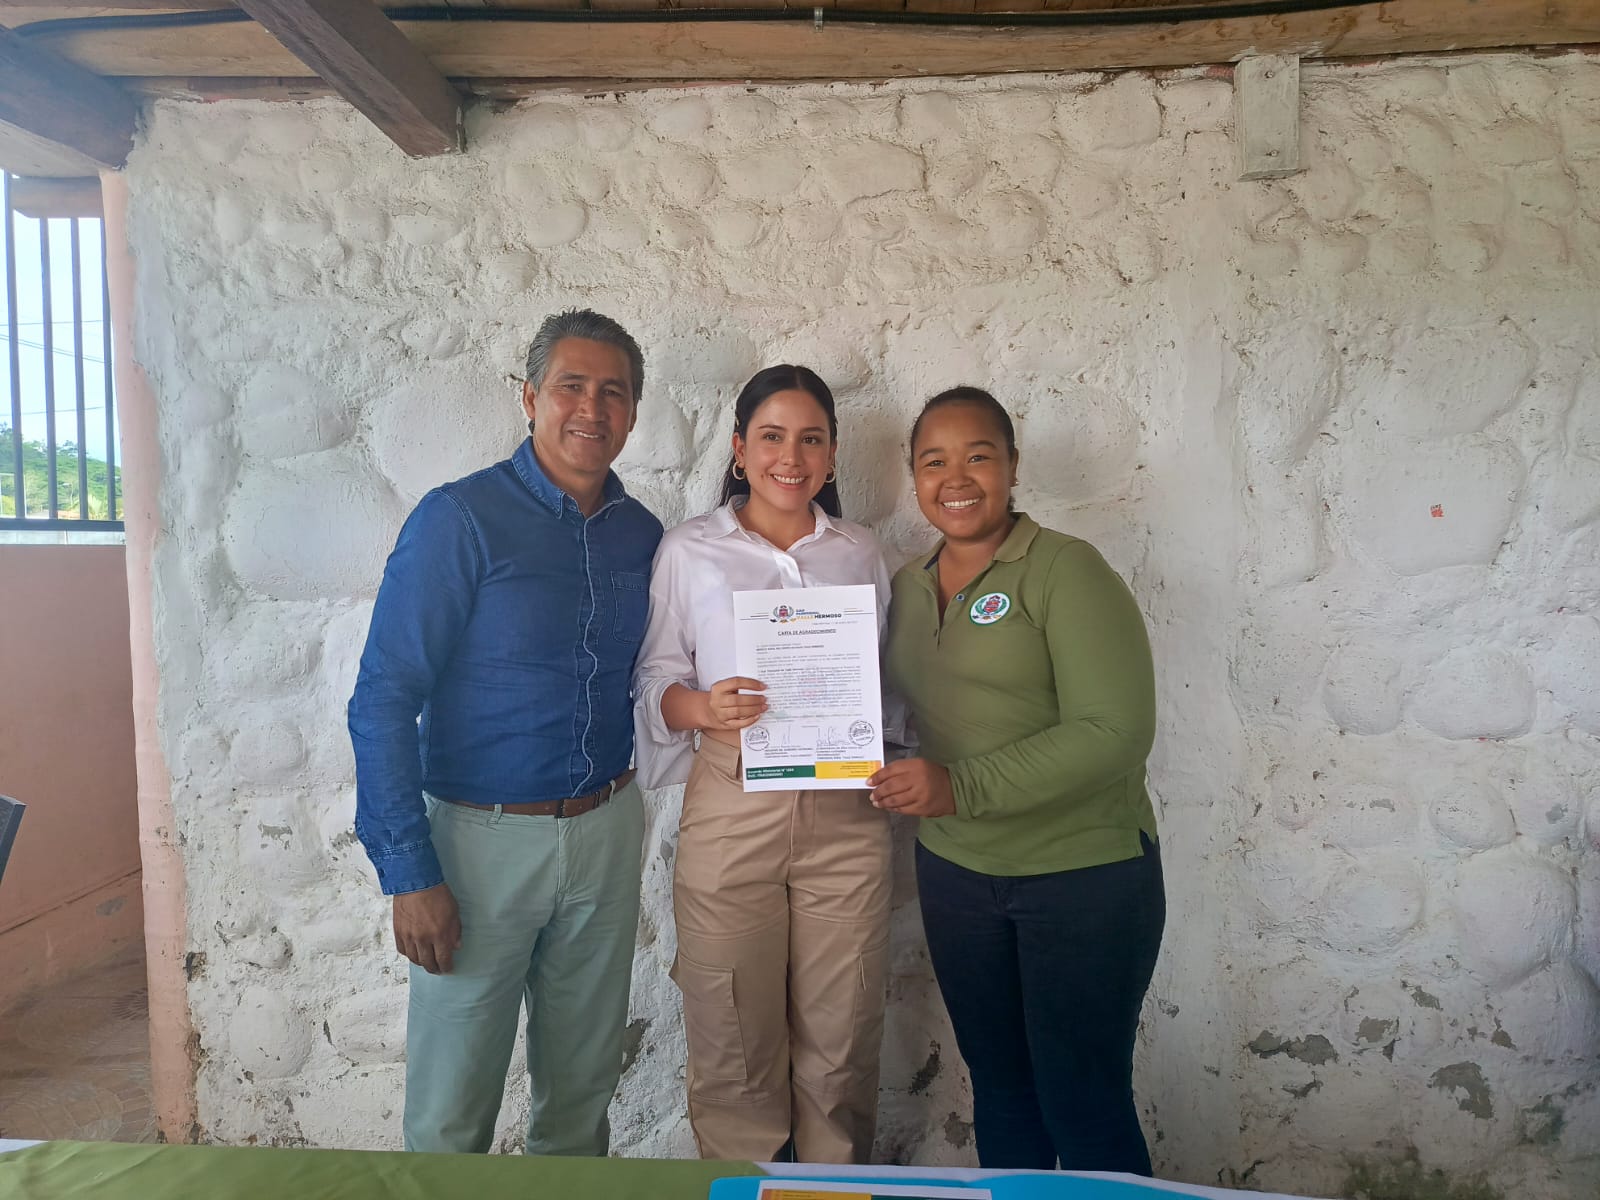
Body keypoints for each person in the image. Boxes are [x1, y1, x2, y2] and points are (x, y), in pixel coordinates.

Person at [347, 310, 663, 1156]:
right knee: (452, 1114)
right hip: (478, 849)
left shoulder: (642, 535)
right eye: (571, 386)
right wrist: (409, 872)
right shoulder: (460, 520)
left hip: (605, 832)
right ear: (529, 397)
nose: (591, 409)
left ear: (634, 412)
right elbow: (382, 698)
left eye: (613, 392)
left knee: (581, 1100)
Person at [868, 386, 1165, 1175]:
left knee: (1084, 1101)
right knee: (1000, 1092)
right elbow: (893, 710)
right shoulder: (907, 586)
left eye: (978, 456)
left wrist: (958, 787)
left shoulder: (1066, 570)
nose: (956, 478)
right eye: (934, 461)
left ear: (1011, 467)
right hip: (959, 876)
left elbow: (1116, 732)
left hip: (1083, 876)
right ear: (914, 476)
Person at [633, 365, 894, 1164]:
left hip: (846, 813)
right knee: (731, 1033)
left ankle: (834, 1185)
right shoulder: (691, 550)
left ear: (833, 454)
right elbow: (655, 678)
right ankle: (748, 1184)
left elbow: (883, 677)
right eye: (772, 437)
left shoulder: (860, 552)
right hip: (732, 801)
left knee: (843, 1038)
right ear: (740, 449)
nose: (792, 456)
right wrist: (703, 709)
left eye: (811, 439)